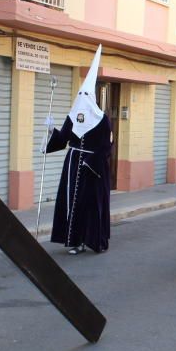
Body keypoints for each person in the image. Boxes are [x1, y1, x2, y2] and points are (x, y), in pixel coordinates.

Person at [45, 46, 111, 254]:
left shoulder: (102, 120)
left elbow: (106, 147)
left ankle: (90, 240)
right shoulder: (72, 116)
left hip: (92, 170)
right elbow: (63, 139)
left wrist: (92, 164)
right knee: (71, 203)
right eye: (79, 94)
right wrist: (51, 130)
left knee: (89, 204)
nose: (82, 97)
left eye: (85, 94)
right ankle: (74, 240)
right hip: (73, 166)